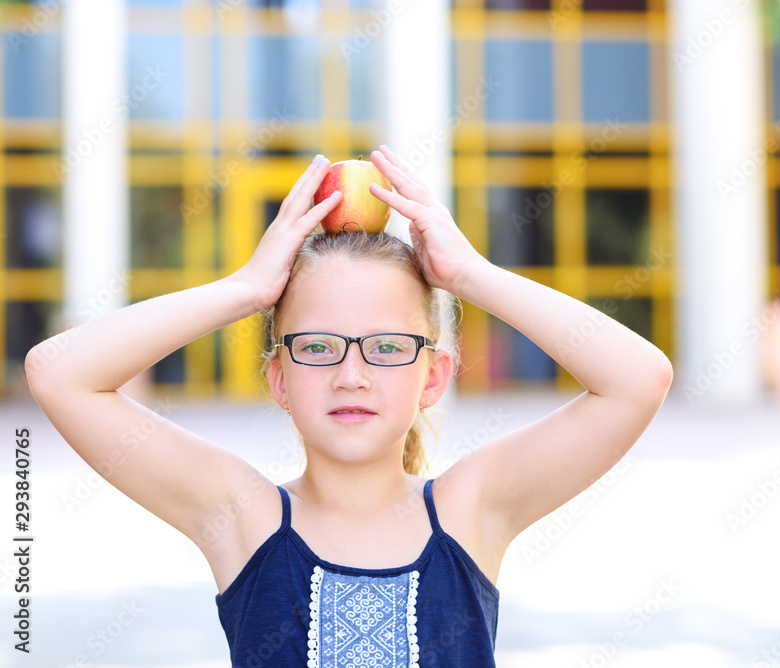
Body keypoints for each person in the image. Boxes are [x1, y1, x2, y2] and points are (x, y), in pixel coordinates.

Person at [26, 145, 673, 666]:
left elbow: (638, 379)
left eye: (388, 346)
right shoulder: (242, 516)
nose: (352, 374)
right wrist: (245, 288)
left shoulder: (470, 510)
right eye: (317, 346)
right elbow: (59, 374)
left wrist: (471, 274)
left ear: (433, 376)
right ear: (278, 378)